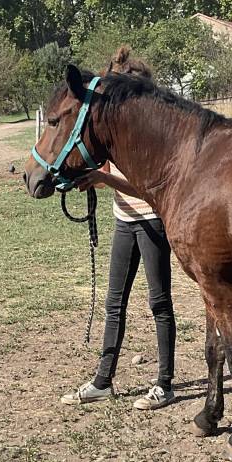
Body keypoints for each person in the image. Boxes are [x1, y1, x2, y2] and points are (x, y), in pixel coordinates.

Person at [61, 49, 176, 410]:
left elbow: (147, 187)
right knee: (115, 303)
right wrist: (91, 179)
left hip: (151, 220)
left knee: (159, 303)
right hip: (124, 221)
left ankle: (165, 383)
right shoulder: (112, 128)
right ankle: (103, 380)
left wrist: (102, 178)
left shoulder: (151, 134)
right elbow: (110, 172)